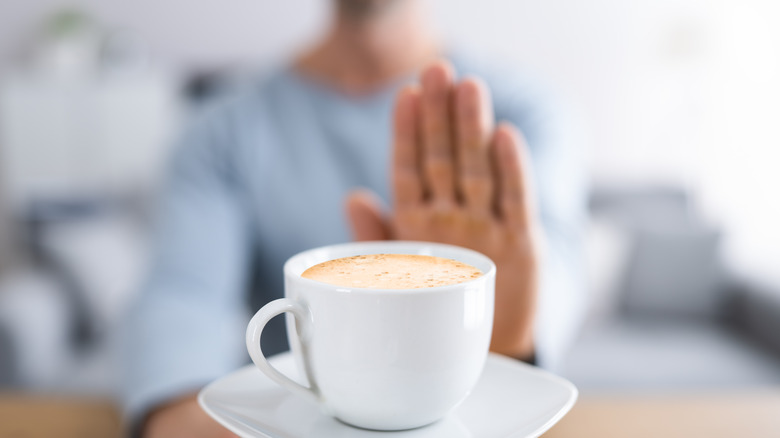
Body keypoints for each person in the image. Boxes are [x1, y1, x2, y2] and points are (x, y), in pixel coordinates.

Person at [121, 0, 586, 436]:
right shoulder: (220, 130)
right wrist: (182, 417)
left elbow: (562, 256)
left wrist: (506, 336)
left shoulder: (519, 110)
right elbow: (182, 297)